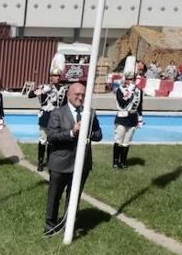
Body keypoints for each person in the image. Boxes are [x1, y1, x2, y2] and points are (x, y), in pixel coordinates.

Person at [44, 81, 102, 236]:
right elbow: (51, 137)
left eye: (83, 95)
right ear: (69, 95)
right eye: (77, 94)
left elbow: (99, 134)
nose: (80, 98)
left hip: (81, 163)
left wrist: (88, 132)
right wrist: (71, 132)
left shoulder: (90, 112)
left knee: (74, 196)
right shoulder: (57, 113)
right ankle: (50, 226)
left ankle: (69, 226)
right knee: (54, 196)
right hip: (60, 162)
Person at [29, 56, 66, 172]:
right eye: (53, 76)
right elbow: (30, 95)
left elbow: (63, 105)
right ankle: (40, 162)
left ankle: (50, 161)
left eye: (56, 76)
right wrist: (41, 90)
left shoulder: (63, 89)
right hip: (45, 117)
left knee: (52, 141)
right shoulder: (45, 87)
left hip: (56, 118)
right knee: (43, 139)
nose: (54, 78)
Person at [112, 56, 144, 170]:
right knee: (119, 140)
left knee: (127, 141)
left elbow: (139, 105)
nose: (131, 81)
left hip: (132, 118)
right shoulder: (120, 90)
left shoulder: (139, 91)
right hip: (122, 118)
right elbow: (122, 103)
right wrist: (130, 90)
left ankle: (123, 162)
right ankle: (115, 161)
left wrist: (140, 119)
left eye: (133, 79)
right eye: (129, 79)